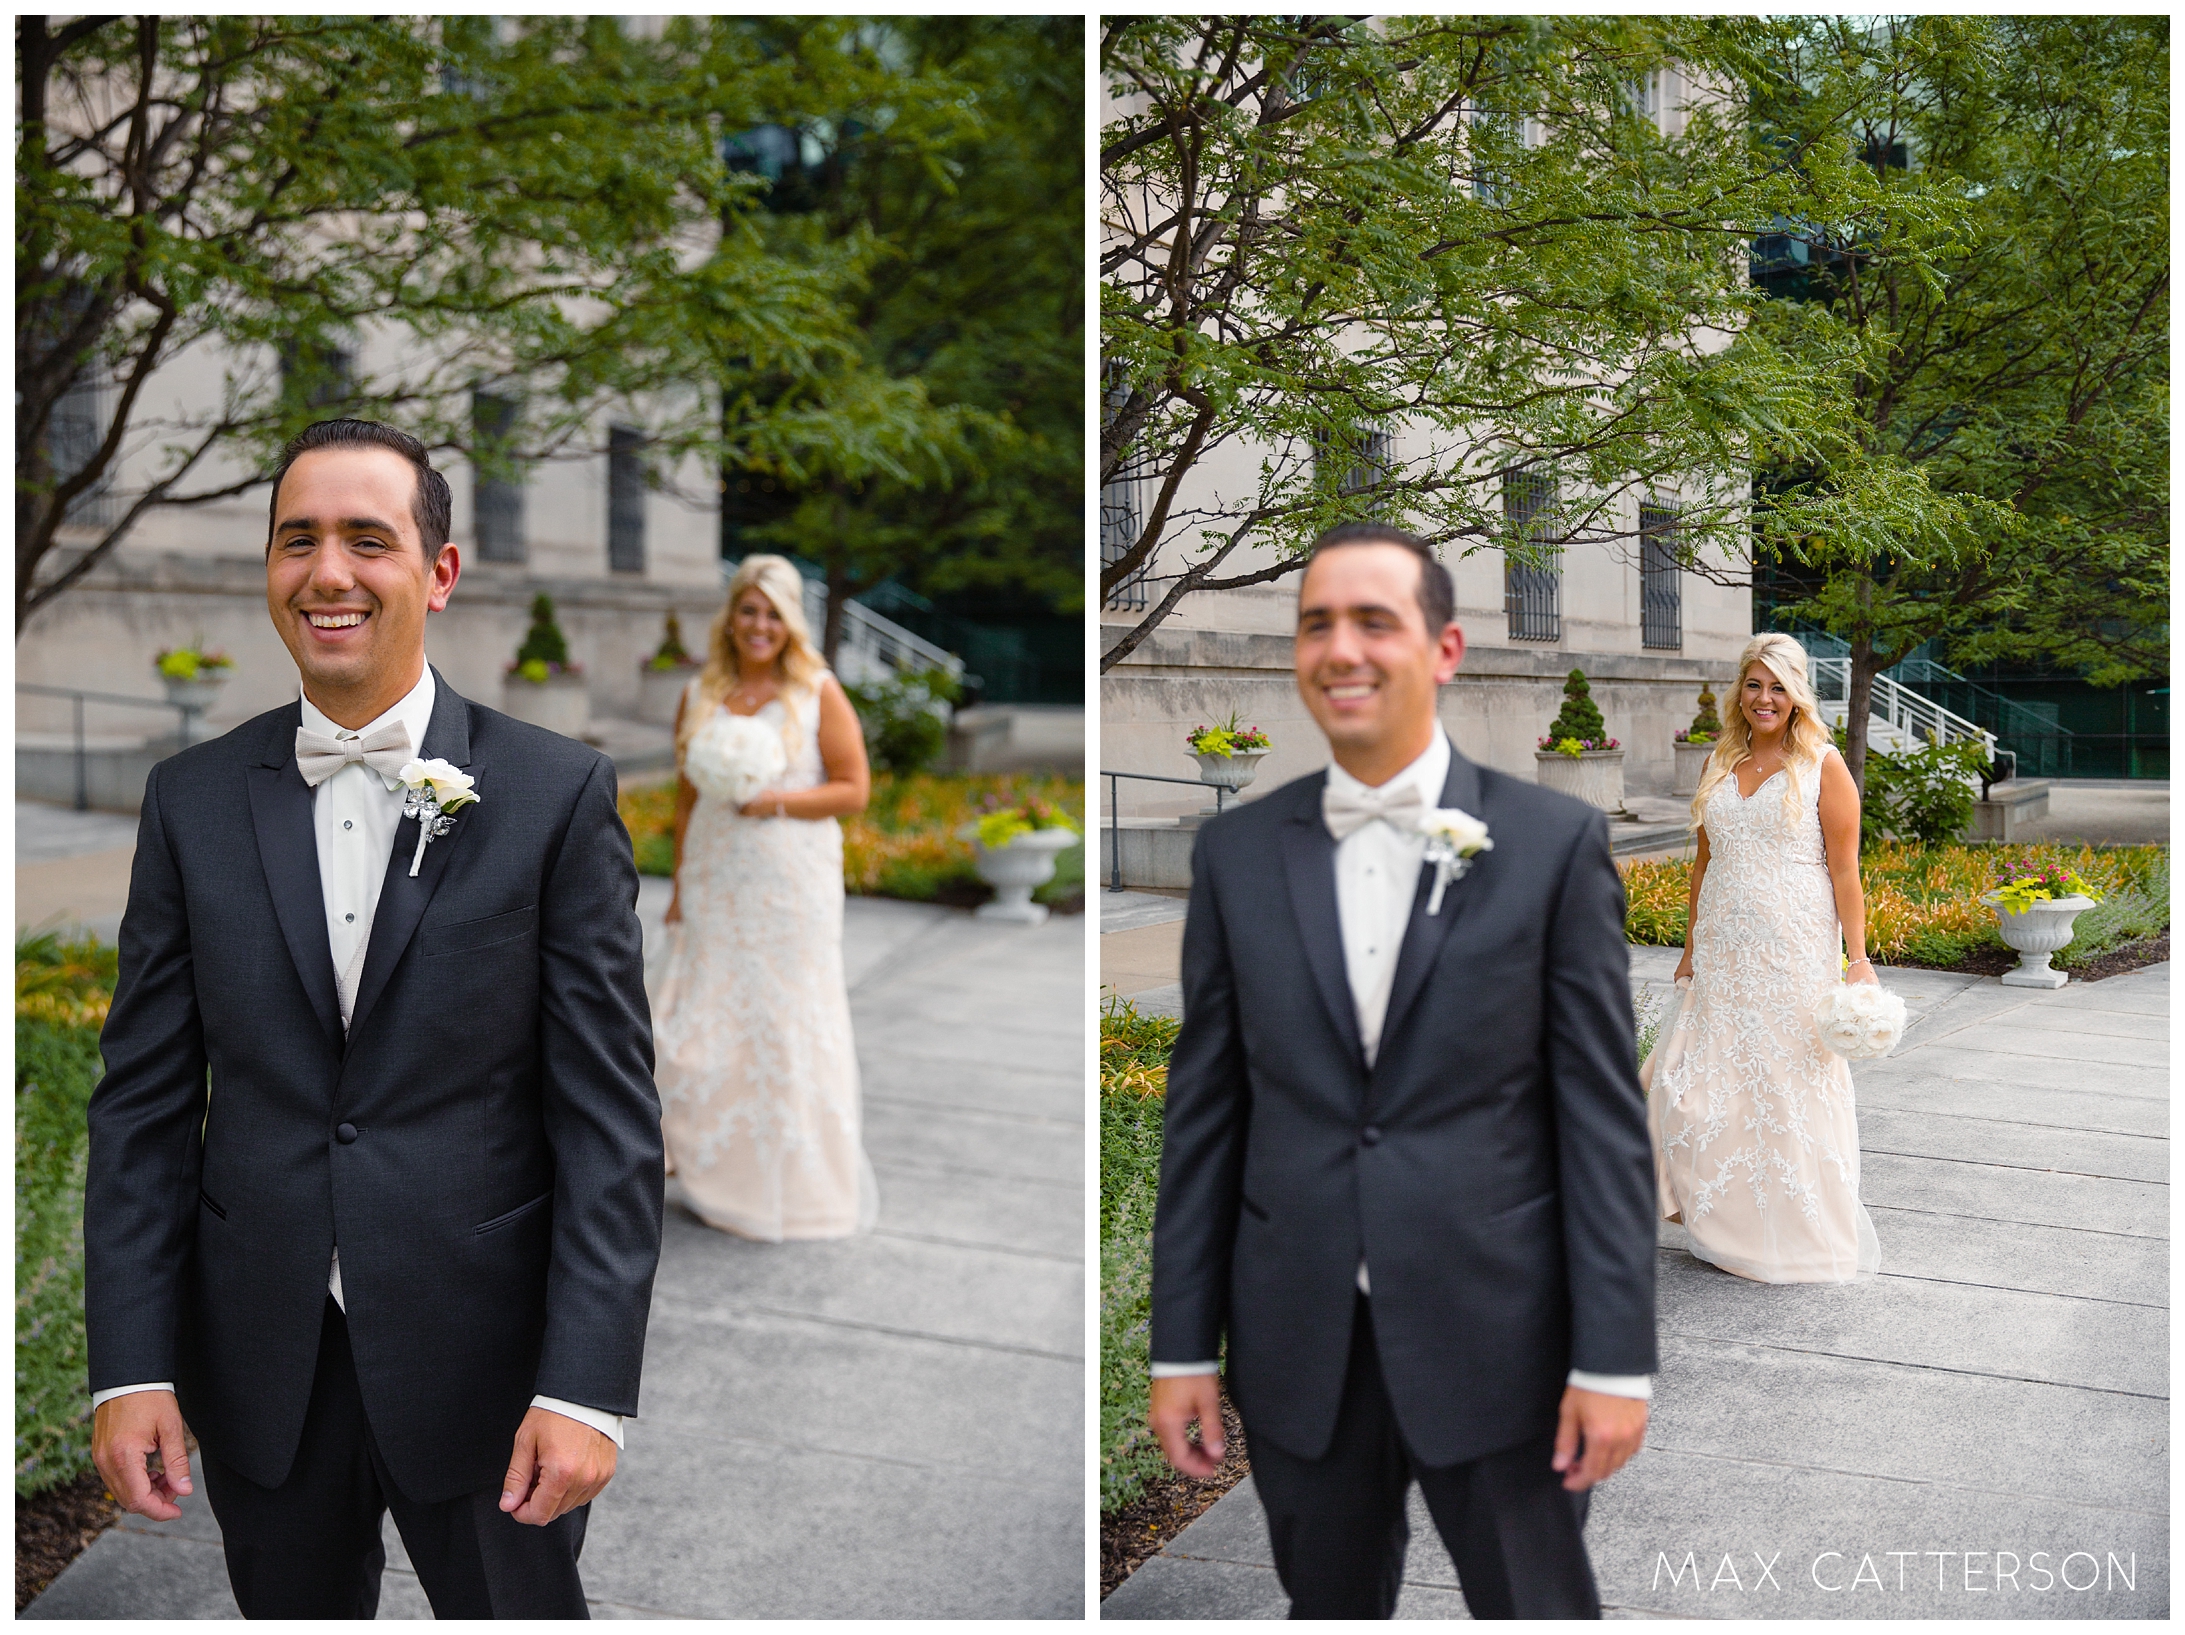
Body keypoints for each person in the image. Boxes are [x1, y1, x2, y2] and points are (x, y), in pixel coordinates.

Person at [84, 419, 663, 1618]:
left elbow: (610, 1121)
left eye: (368, 539)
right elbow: (141, 1106)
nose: (328, 573)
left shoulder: (556, 796)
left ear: (438, 574)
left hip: (495, 1369)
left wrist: (588, 1387)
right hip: (259, 1362)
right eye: (298, 540)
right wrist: (128, 1367)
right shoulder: (189, 801)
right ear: (269, 569)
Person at [1145, 522, 1658, 1620]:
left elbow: (1602, 1128)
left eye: (1374, 620)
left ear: (1445, 648)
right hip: (1298, 1345)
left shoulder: (1550, 845)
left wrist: (1614, 1357)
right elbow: (1206, 1117)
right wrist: (1180, 1343)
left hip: (1506, 1345)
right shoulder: (1233, 855)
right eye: (1316, 623)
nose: (1341, 648)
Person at [1645, 632, 1883, 1283]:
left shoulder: (1823, 766)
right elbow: (1701, 863)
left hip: (1793, 952)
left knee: (1785, 1086)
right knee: (1696, 1084)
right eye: (1753, 684)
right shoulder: (1719, 760)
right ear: (1738, 692)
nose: (1763, 698)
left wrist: (1855, 958)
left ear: (1797, 693)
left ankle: (1798, 1236)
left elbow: (1845, 872)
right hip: (1723, 951)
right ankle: (1721, 1220)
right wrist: (1690, 946)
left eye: (1777, 686)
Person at [654, 554, 878, 1241]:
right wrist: (681, 884)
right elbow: (688, 799)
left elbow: (853, 788)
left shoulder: (817, 690)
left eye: (772, 613)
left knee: (783, 1023)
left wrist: (772, 798)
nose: (759, 625)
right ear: (733, 617)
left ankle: (793, 1189)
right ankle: (711, 1168)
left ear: (789, 623)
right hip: (716, 882)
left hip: (790, 885)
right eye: (749, 610)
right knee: (700, 1022)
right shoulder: (699, 691)